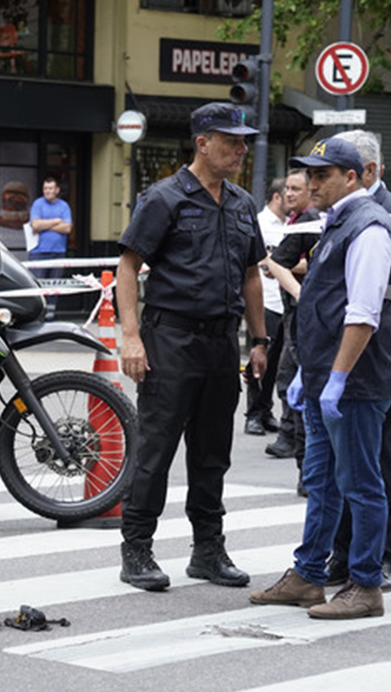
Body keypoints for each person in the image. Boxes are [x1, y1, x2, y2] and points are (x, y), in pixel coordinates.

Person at [114, 101, 267, 591]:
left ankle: (208, 550)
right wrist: (131, 337)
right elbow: (127, 267)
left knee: (212, 454)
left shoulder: (242, 203)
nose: (241, 150)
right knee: (155, 450)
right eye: (231, 142)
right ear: (203, 144)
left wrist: (259, 340)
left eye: (244, 141)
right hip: (170, 338)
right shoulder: (164, 198)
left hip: (222, 342)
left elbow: (251, 275)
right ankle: (137, 548)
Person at [248, 137, 391, 620]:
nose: (312, 184)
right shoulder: (336, 223)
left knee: (359, 483)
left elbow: (362, 314)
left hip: (354, 382)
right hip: (324, 378)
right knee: (321, 481)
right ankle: (309, 574)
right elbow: (322, 302)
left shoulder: (369, 228)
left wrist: (335, 378)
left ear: (353, 178)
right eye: (310, 176)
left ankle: (365, 584)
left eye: (324, 175)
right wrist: (311, 377)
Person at [324, 128, 391, 593]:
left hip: (378, 356)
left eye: (327, 173)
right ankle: (343, 555)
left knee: (378, 466)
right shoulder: (340, 214)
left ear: (362, 172)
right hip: (344, 355)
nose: (317, 182)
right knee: (346, 469)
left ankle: (384, 559)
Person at [262, 168, 317, 476]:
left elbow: (316, 261)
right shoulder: (294, 222)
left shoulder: (312, 221)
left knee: (298, 382)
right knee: (287, 376)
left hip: (303, 312)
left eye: (297, 188)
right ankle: (288, 438)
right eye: (287, 189)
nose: (289, 194)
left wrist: (281, 267)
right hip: (291, 311)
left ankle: (304, 463)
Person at [247, 176, 287, 437]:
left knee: (277, 364)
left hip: (285, 302)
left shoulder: (292, 224)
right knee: (260, 359)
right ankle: (253, 414)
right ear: (276, 197)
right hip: (266, 302)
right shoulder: (260, 224)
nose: (293, 197)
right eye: (289, 192)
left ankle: (266, 410)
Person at [27, 176, 73, 320]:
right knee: (39, 286)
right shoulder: (37, 204)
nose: (47, 191)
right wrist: (55, 221)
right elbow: (35, 225)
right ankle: (38, 315)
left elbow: (67, 228)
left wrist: (44, 225)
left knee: (54, 286)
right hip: (38, 252)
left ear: (57, 190)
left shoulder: (64, 206)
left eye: (50, 188)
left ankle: (50, 316)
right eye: (45, 188)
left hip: (58, 252)